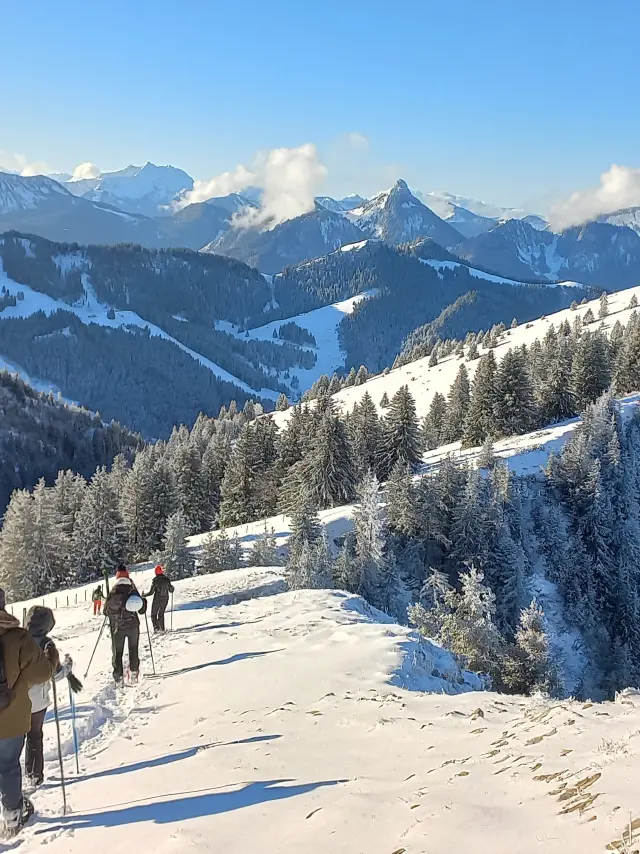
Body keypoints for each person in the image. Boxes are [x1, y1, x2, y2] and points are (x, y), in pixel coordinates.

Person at [0, 588, 58, 836]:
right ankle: (12, 815)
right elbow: (42, 673)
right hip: (9, 716)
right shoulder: (17, 637)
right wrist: (52, 660)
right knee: (8, 765)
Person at [24, 607, 76, 791]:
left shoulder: (18, 638)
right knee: (34, 735)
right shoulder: (47, 644)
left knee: (15, 738)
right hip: (37, 700)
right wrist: (68, 666)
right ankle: (34, 775)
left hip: (14, 696)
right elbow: (54, 674)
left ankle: (13, 779)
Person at [104, 565, 146, 686]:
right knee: (133, 649)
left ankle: (118, 678)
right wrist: (143, 601)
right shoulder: (132, 589)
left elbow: (105, 611)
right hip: (133, 625)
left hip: (118, 628)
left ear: (117, 576)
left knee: (117, 653)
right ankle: (134, 672)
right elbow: (142, 610)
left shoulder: (113, 591)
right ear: (127, 575)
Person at [144, 566, 174, 633]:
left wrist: (144, 595)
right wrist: (172, 588)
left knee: (153, 614)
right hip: (165, 599)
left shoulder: (155, 581)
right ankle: (162, 629)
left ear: (156, 572)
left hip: (157, 599)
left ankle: (156, 628)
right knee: (161, 613)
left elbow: (151, 592)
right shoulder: (166, 579)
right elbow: (171, 590)